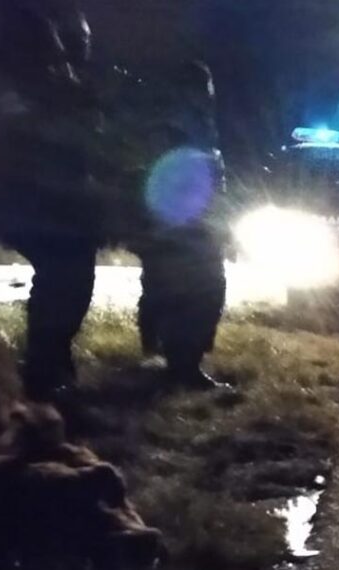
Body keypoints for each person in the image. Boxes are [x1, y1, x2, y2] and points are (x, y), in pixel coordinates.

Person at [0, 0, 102, 401]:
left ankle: (47, 368)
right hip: (6, 172)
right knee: (68, 258)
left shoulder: (53, 23)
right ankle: (44, 368)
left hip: (25, 180)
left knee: (69, 258)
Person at [126, 61, 229, 389]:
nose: (208, 96)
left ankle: (177, 361)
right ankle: (181, 366)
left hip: (188, 228)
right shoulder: (173, 125)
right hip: (178, 229)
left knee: (191, 291)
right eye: (204, 88)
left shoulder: (195, 125)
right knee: (195, 293)